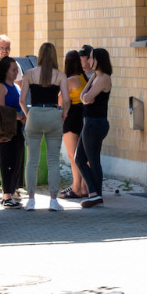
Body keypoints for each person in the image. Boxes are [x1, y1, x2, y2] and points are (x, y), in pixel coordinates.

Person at [20, 43, 70, 211]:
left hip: (34, 114)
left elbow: (22, 99)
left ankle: (31, 199)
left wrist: (28, 115)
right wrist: (63, 114)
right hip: (54, 114)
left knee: (32, 161)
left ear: (39, 55)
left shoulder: (29, 73)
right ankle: (54, 200)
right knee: (53, 161)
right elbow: (67, 99)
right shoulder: (60, 75)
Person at [75, 47, 112, 208]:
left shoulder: (104, 78)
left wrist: (85, 97)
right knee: (80, 159)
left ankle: (95, 194)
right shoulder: (96, 76)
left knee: (92, 159)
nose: (88, 61)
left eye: (91, 58)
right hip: (89, 122)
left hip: (96, 123)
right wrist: (90, 81)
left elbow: (87, 97)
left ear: (98, 59)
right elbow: (83, 96)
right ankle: (94, 193)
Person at [0, 55, 25, 207]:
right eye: (13, 69)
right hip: (7, 128)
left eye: (16, 69)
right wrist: (18, 116)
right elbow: (1, 109)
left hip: (18, 127)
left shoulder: (15, 86)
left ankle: (12, 190)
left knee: (17, 159)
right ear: (5, 71)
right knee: (7, 159)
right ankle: (6, 195)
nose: (16, 71)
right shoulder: (0, 86)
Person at [60, 49, 87, 200]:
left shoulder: (69, 80)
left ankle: (77, 187)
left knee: (72, 155)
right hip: (82, 117)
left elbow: (60, 99)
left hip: (71, 118)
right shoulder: (83, 78)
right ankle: (82, 186)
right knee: (81, 155)